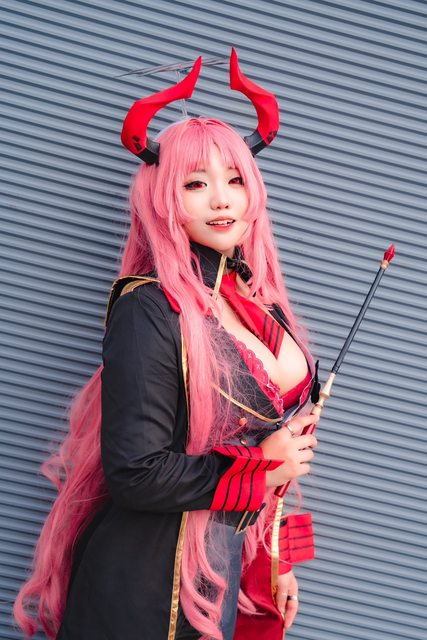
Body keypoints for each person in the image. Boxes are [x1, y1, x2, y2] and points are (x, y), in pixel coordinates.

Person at [13, 50, 319, 640]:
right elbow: (136, 473)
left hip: (221, 574)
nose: (222, 199)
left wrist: (278, 559)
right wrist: (260, 468)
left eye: (235, 180)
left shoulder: (262, 307)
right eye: (196, 184)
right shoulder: (148, 307)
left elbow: (278, 455)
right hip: (142, 591)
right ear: (164, 198)